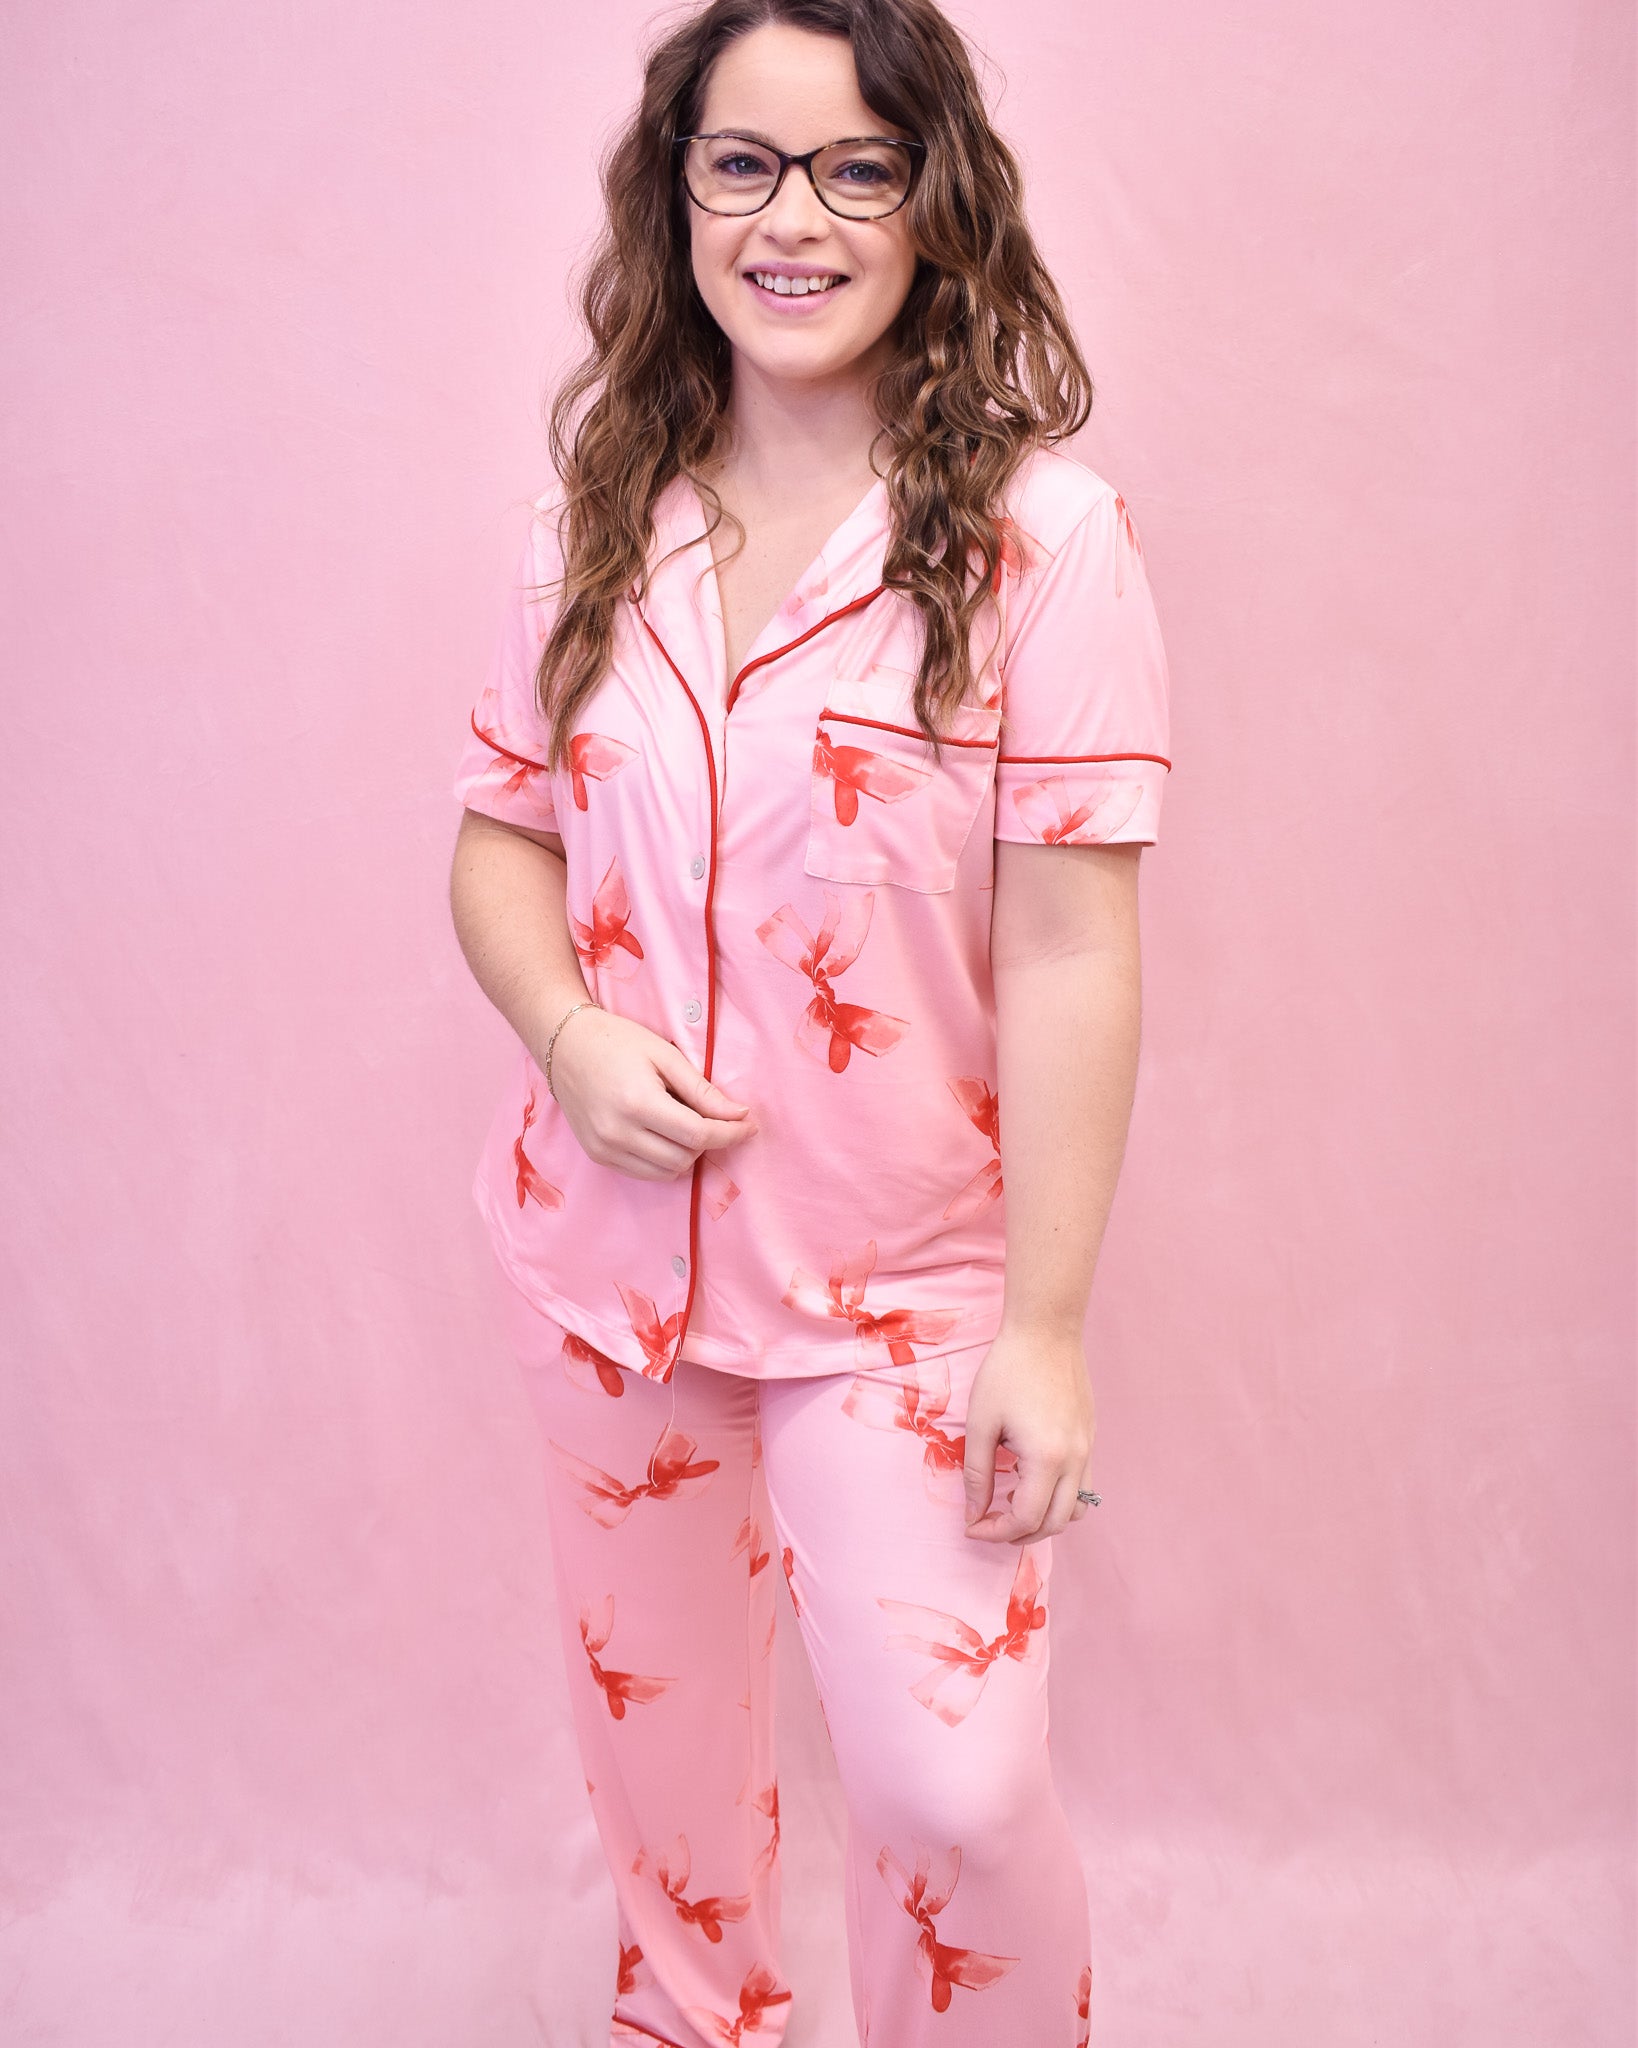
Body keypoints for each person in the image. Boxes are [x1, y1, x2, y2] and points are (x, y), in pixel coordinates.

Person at [447, 0, 1172, 2039]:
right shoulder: (595, 512)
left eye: (859, 170)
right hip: (607, 1290)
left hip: (905, 1296)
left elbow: (1071, 950)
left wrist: (1043, 1325)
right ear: (678, 198)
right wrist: (570, 1038)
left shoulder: (1053, 547)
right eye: (745, 166)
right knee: (670, 1821)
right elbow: (496, 843)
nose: (798, 218)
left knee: (953, 1787)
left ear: (935, 208)